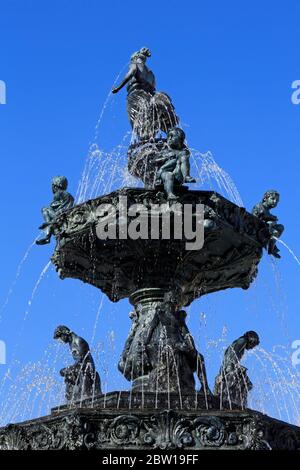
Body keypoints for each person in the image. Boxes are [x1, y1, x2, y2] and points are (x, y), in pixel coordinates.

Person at [112, 47, 178, 140]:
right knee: (152, 121)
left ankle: (146, 142)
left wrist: (118, 87)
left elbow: (131, 73)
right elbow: (153, 87)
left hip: (137, 95)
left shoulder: (135, 64)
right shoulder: (151, 73)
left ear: (135, 58)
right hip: (150, 96)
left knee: (137, 126)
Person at [54, 325, 101, 402]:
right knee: (64, 372)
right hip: (79, 367)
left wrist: (70, 368)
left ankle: (77, 397)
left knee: (69, 372)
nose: (61, 341)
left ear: (65, 333)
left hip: (87, 368)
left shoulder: (78, 340)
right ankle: (70, 398)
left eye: (60, 337)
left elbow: (83, 359)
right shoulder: (71, 343)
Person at [155, 127, 196, 200]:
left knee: (183, 156)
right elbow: (154, 161)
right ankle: (170, 194)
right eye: (168, 136)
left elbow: (184, 161)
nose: (169, 138)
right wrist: (164, 158)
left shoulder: (183, 152)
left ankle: (186, 176)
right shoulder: (164, 151)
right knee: (169, 175)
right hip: (165, 173)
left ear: (180, 140)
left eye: (172, 136)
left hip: (178, 175)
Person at [36, 176, 74, 245]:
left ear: (55, 186)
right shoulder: (68, 195)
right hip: (65, 215)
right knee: (52, 222)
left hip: (60, 215)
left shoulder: (58, 193)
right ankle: (48, 235)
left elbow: (53, 206)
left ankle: (48, 234)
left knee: (44, 209)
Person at [252, 190, 284, 258]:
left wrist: (272, 219)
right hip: (256, 230)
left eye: (277, 201)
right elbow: (260, 217)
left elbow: (267, 216)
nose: (275, 202)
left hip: (265, 229)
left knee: (281, 227)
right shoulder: (259, 206)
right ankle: (271, 249)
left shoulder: (267, 210)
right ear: (265, 199)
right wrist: (272, 218)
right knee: (274, 231)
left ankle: (271, 244)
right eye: (272, 199)